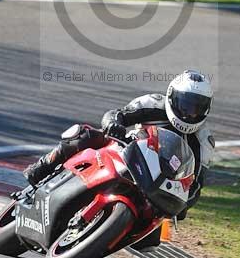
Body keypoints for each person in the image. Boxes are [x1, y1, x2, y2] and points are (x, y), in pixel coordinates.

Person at [24, 70, 215, 228]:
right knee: (85, 135)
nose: (190, 113)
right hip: (127, 151)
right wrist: (114, 124)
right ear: (172, 96)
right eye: (185, 105)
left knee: (152, 236)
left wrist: (183, 205)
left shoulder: (203, 141)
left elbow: (196, 184)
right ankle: (42, 168)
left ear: (206, 109)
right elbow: (116, 115)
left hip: (155, 183)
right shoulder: (154, 103)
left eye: (197, 108)